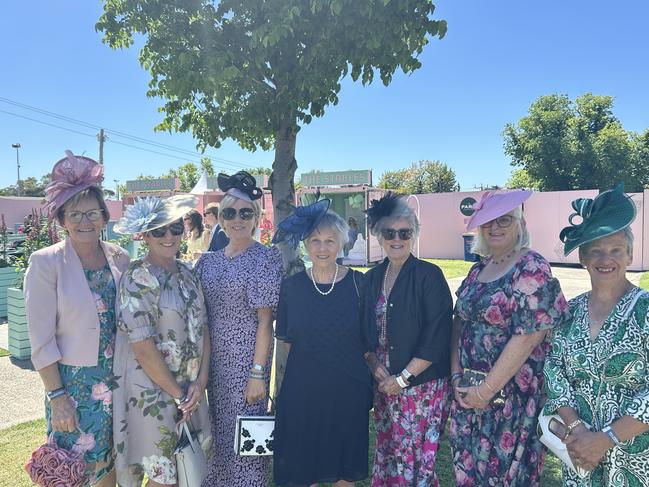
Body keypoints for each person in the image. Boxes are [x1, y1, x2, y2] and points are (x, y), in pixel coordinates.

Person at [449, 190, 569, 487]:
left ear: (520, 224)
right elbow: (458, 325)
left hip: (511, 401)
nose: (495, 227)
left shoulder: (531, 266)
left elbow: (529, 336)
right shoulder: (478, 270)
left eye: (504, 220)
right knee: (470, 475)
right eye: (488, 222)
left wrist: (487, 390)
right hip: (468, 394)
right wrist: (455, 377)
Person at [24, 150, 130, 486]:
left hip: (117, 380)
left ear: (104, 215)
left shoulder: (120, 257)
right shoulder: (45, 263)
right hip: (73, 388)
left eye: (92, 213)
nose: (85, 222)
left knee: (111, 465)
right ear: (62, 220)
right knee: (72, 472)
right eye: (75, 214)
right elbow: (41, 341)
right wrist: (57, 397)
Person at [544, 184, 649, 485]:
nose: (606, 260)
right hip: (578, 451)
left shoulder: (645, 309)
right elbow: (555, 373)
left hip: (635, 456)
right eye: (596, 252)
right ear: (583, 259)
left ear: (629, 256)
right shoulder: (570, 311)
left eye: (616, 250)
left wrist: (605, 439)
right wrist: (577, 430)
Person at [112, 195, 212, 487]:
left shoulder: (188, 273)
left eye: (175, 228)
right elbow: (142, 347)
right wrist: (179, 394)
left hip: (191, 392)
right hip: (154, 393)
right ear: (144, 234)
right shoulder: (136, 276)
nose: (169, 236)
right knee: (163, 476)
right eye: (159, 230)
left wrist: (200, 383)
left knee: (189, 468)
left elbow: (203, 328)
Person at [272, 200, 372, 487]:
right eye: (315, 240)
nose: (322, 247)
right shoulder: (292, 286)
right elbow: (286, 342)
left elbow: (367, 340)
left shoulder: (359, 284)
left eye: (329, 240)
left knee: (344, 469)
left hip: (347, 391)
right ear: (306, 243)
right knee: (305, 468)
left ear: (342, 243)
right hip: (303, 392)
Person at [195, 171, 283, 487]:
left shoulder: (265, 258)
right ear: (220, 217)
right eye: (229, 212)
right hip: (212, 366)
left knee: (247, 444)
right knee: (216, 442)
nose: (237, 219)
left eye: (246, 212)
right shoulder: (207, 262)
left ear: (256, 216)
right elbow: (200, 320)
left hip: (247, 366)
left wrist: (258, 374)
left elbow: (265, 321)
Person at [362, 192, 453, 487]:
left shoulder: (429, 275)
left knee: (415, 459)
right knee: (389, 452)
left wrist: (402, 379)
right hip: (384, 384)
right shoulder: (373, 277)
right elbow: (365, 331)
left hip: (420, 385)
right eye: (390, 232)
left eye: (404, 232)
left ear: (413, 235)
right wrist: (376, 368)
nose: (397, 238)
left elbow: (438, 334)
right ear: (379, 236)